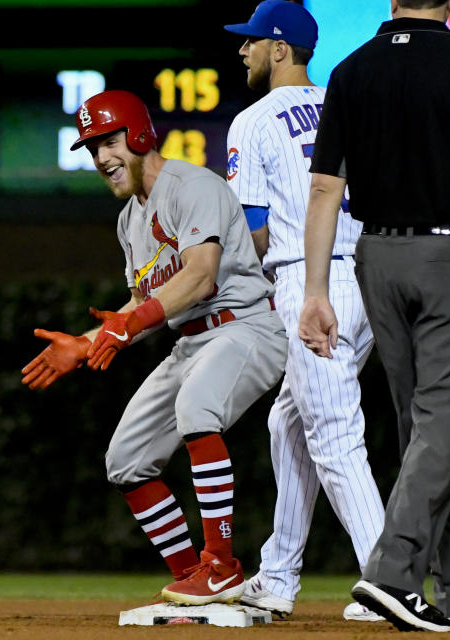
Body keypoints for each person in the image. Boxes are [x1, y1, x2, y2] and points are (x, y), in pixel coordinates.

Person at [21, 89, 287, 604]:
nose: (101, 157)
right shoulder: (130, 220)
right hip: (191, 342)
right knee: (125, 460)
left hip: (245, 326)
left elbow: (201, 277)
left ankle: (222, 566)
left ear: (138, 134)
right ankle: (194, 579)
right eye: (92, 148)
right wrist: (87, 342)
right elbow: (143, 301)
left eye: (108, 141)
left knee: (197, 408)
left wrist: (131, 322)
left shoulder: (193, 186)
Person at [300, 0, 450, 632]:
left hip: (375, 255)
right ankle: (392, 576)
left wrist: (315, 291)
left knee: (424, 428)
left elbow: (326, 187)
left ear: (391, 2)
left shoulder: (351, 71)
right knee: (441, 420)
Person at [221, 0, 385, 622]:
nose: (244, 50)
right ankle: (278, 575)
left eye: (253, 41)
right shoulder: (349, 108)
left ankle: (387, 576)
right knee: (287, 421)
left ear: (280, 48)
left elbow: (256, 230)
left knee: (336, 437)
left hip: (308, 283)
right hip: (367, 278)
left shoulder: (255, 120)